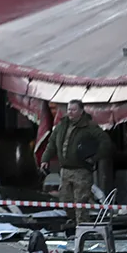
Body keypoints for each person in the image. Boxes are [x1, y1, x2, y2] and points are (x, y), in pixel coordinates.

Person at [39, 99, 113, 231]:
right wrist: (45, 159)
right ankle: (75, 223)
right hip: (65, 171)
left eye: (73, 110)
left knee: (81, 202)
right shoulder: (62, 125)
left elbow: (105, 142)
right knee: (66, 202)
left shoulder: (89, 126)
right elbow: (52, 143)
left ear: (81, 111)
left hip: (82, 171)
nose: (70, 112)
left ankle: (83, 230)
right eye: (68, 109)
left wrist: (94, 158)